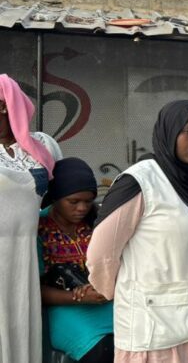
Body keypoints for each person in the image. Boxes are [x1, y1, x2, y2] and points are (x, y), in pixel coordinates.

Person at [87, 100, 188, 362]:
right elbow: (102, 252)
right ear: (168, 132)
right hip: (151, 329)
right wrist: (122, 292)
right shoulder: (140, 181)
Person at [0, 73, 61, 363]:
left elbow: (59, 196)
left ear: (5, 105)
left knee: (22, 326)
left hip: (27, 253)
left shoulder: (43, 146)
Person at [38, 157, 114, 363]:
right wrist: (77, 297)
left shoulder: (96, 223)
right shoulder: (37, 227)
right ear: (56, 197)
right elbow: (33, 289)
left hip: (106, 303)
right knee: (103, 351)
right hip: (63, 308)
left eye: (88, 201)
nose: (82, 208)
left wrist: (104, 288)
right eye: (73, 201)